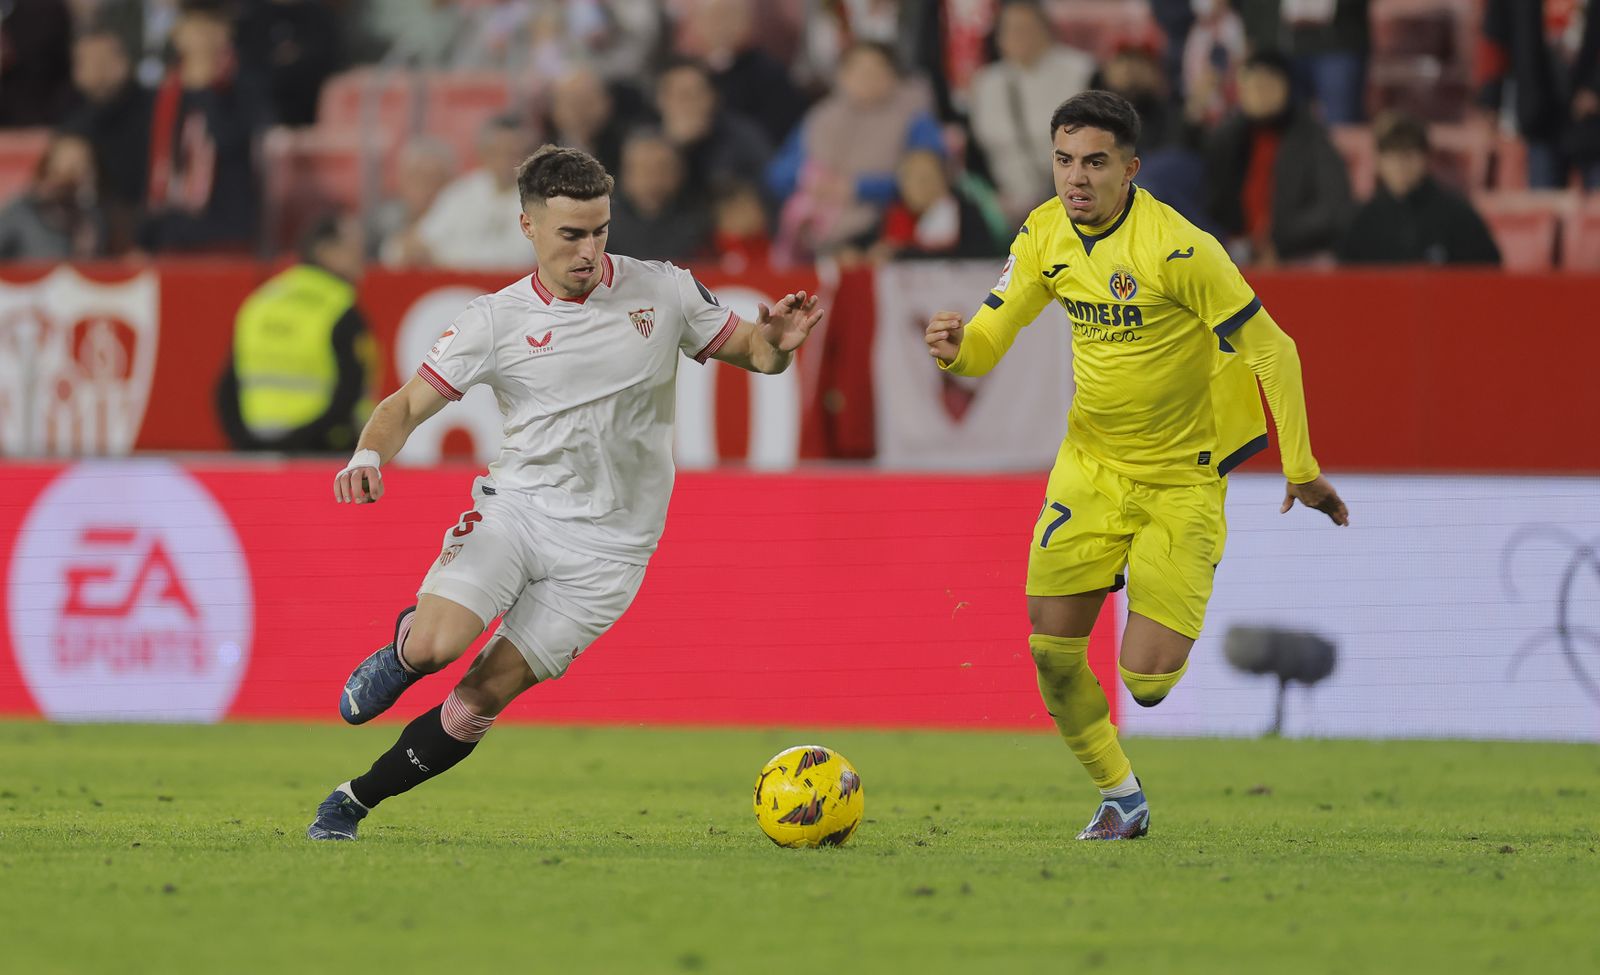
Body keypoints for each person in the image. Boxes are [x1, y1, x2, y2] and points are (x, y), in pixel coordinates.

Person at [306, 145, 824, 841]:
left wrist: (780, 343)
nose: (589, 250)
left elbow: (757, 355)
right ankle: (403, 650)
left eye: (600, 230)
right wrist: (368, 453)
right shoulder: (495, 320)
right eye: (570, 234)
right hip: (518, 512)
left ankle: (352, 800)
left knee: (482, 694)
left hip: (612, 549)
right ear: (528, 227)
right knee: (435, 648)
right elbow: (404, 405)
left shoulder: (663, 290)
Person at [923, 91, 1347, 841]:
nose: (1074, 179)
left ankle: (1167, 563)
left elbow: (1274, 350)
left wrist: (1301, 465)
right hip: (1090, 466)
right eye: (1063, 161)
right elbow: (992, 334)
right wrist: (960, 350)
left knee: (1147, 683)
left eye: (1093, 163)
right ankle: (1121, 795)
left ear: (1130, 167)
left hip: (1182, 478)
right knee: (1051, 653)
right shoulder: (1045, 232)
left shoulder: (1180, 249)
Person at [216, 213, 373, 453]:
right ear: (324, 251)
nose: (363, 258)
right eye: (353, 248)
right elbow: (350, 394)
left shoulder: (260, 302)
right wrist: (298, 445)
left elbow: (226, 388)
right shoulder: (342, 310)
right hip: (322, 452)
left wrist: (246, 445)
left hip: (256, 449)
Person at [1204, 51, 1350, 266]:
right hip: (1235, 252)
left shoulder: (1312, 137)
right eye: (1251, 87)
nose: (1259, 94)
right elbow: (1211, 202)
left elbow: (1333, 208)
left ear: (1286, 87)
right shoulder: (1227, 138)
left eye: (1267, 85)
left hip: (1298, 254)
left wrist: (1280, 242)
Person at [967, 0, 1096, 223]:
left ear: (1046, 29)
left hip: (1070, 195)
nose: (1019, 36)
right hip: (1001, 204)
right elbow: (975, 153)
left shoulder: (1081, 71)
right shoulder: (985, 82)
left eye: (1026, 28)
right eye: (1011, 29)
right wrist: (994, 196)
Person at [1337, 114, 1501, 266]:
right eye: (1391, 156)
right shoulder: (1362, 222)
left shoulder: (1458, 217)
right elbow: (1346, 284)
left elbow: (1488, 277)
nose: (1400, 166)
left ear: (1426, 158)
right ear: (1378, 161)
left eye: (1409, 155)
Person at [60, 28, 152, 255]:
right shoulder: (75, 119)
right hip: (89, 230)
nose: (89, 69)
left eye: (99, 61)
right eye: (81, 62)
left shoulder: (153, 109)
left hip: (144, 227)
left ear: (122, 63)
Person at [412, 115, 534, 269]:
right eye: (496, 152)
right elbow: (423, 242)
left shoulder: (539, 200)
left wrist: (442, 256)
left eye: (512, 153)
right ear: (483, 153)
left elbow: (520, 258)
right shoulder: (460, 193)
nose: (505, 161)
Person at [607, 130, 712, 262]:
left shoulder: (702, 224)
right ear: (625, 174)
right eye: (643, 170)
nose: (653, 179)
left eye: (662, 169)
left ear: (679, 173)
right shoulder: (603, 224)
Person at [0, 133, 106, 260]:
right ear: (46, 171)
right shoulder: (20, 212)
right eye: (63, 171)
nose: (70, 180)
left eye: (82, 167)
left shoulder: (90, 217)